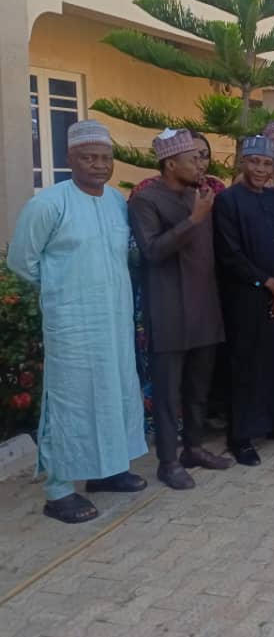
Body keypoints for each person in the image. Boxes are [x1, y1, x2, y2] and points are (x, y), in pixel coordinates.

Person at [7, 120, 147, 523]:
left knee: (114, 390)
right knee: (71, 401)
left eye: (105, 158)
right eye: (89, 158)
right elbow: (22, 262)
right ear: (70, 159)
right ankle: (58, 490)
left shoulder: (116, 202)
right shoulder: (48, 204)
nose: (99, 165)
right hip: (72, 324)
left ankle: (106, 471)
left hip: (114, 319)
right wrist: (63, 291)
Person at [129, 128, 232, 490]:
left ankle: (194, 448)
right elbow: (152, 250)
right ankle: (168, 461)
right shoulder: (146, 200)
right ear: (171, 164)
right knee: (169, 391)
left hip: (204, 305)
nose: (200, 164)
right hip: (169, 309)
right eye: (193, 159)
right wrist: (195, 219)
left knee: (198, 388)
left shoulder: (198, 195)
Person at [214, 135, 274, 466]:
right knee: (246, 365)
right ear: (242, 163)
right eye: (255, 162)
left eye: (267, 163)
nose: (261, 169)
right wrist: (268, 284)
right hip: (246, 297)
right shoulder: (228, 201)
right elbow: (230, 254)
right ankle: (241, 437)